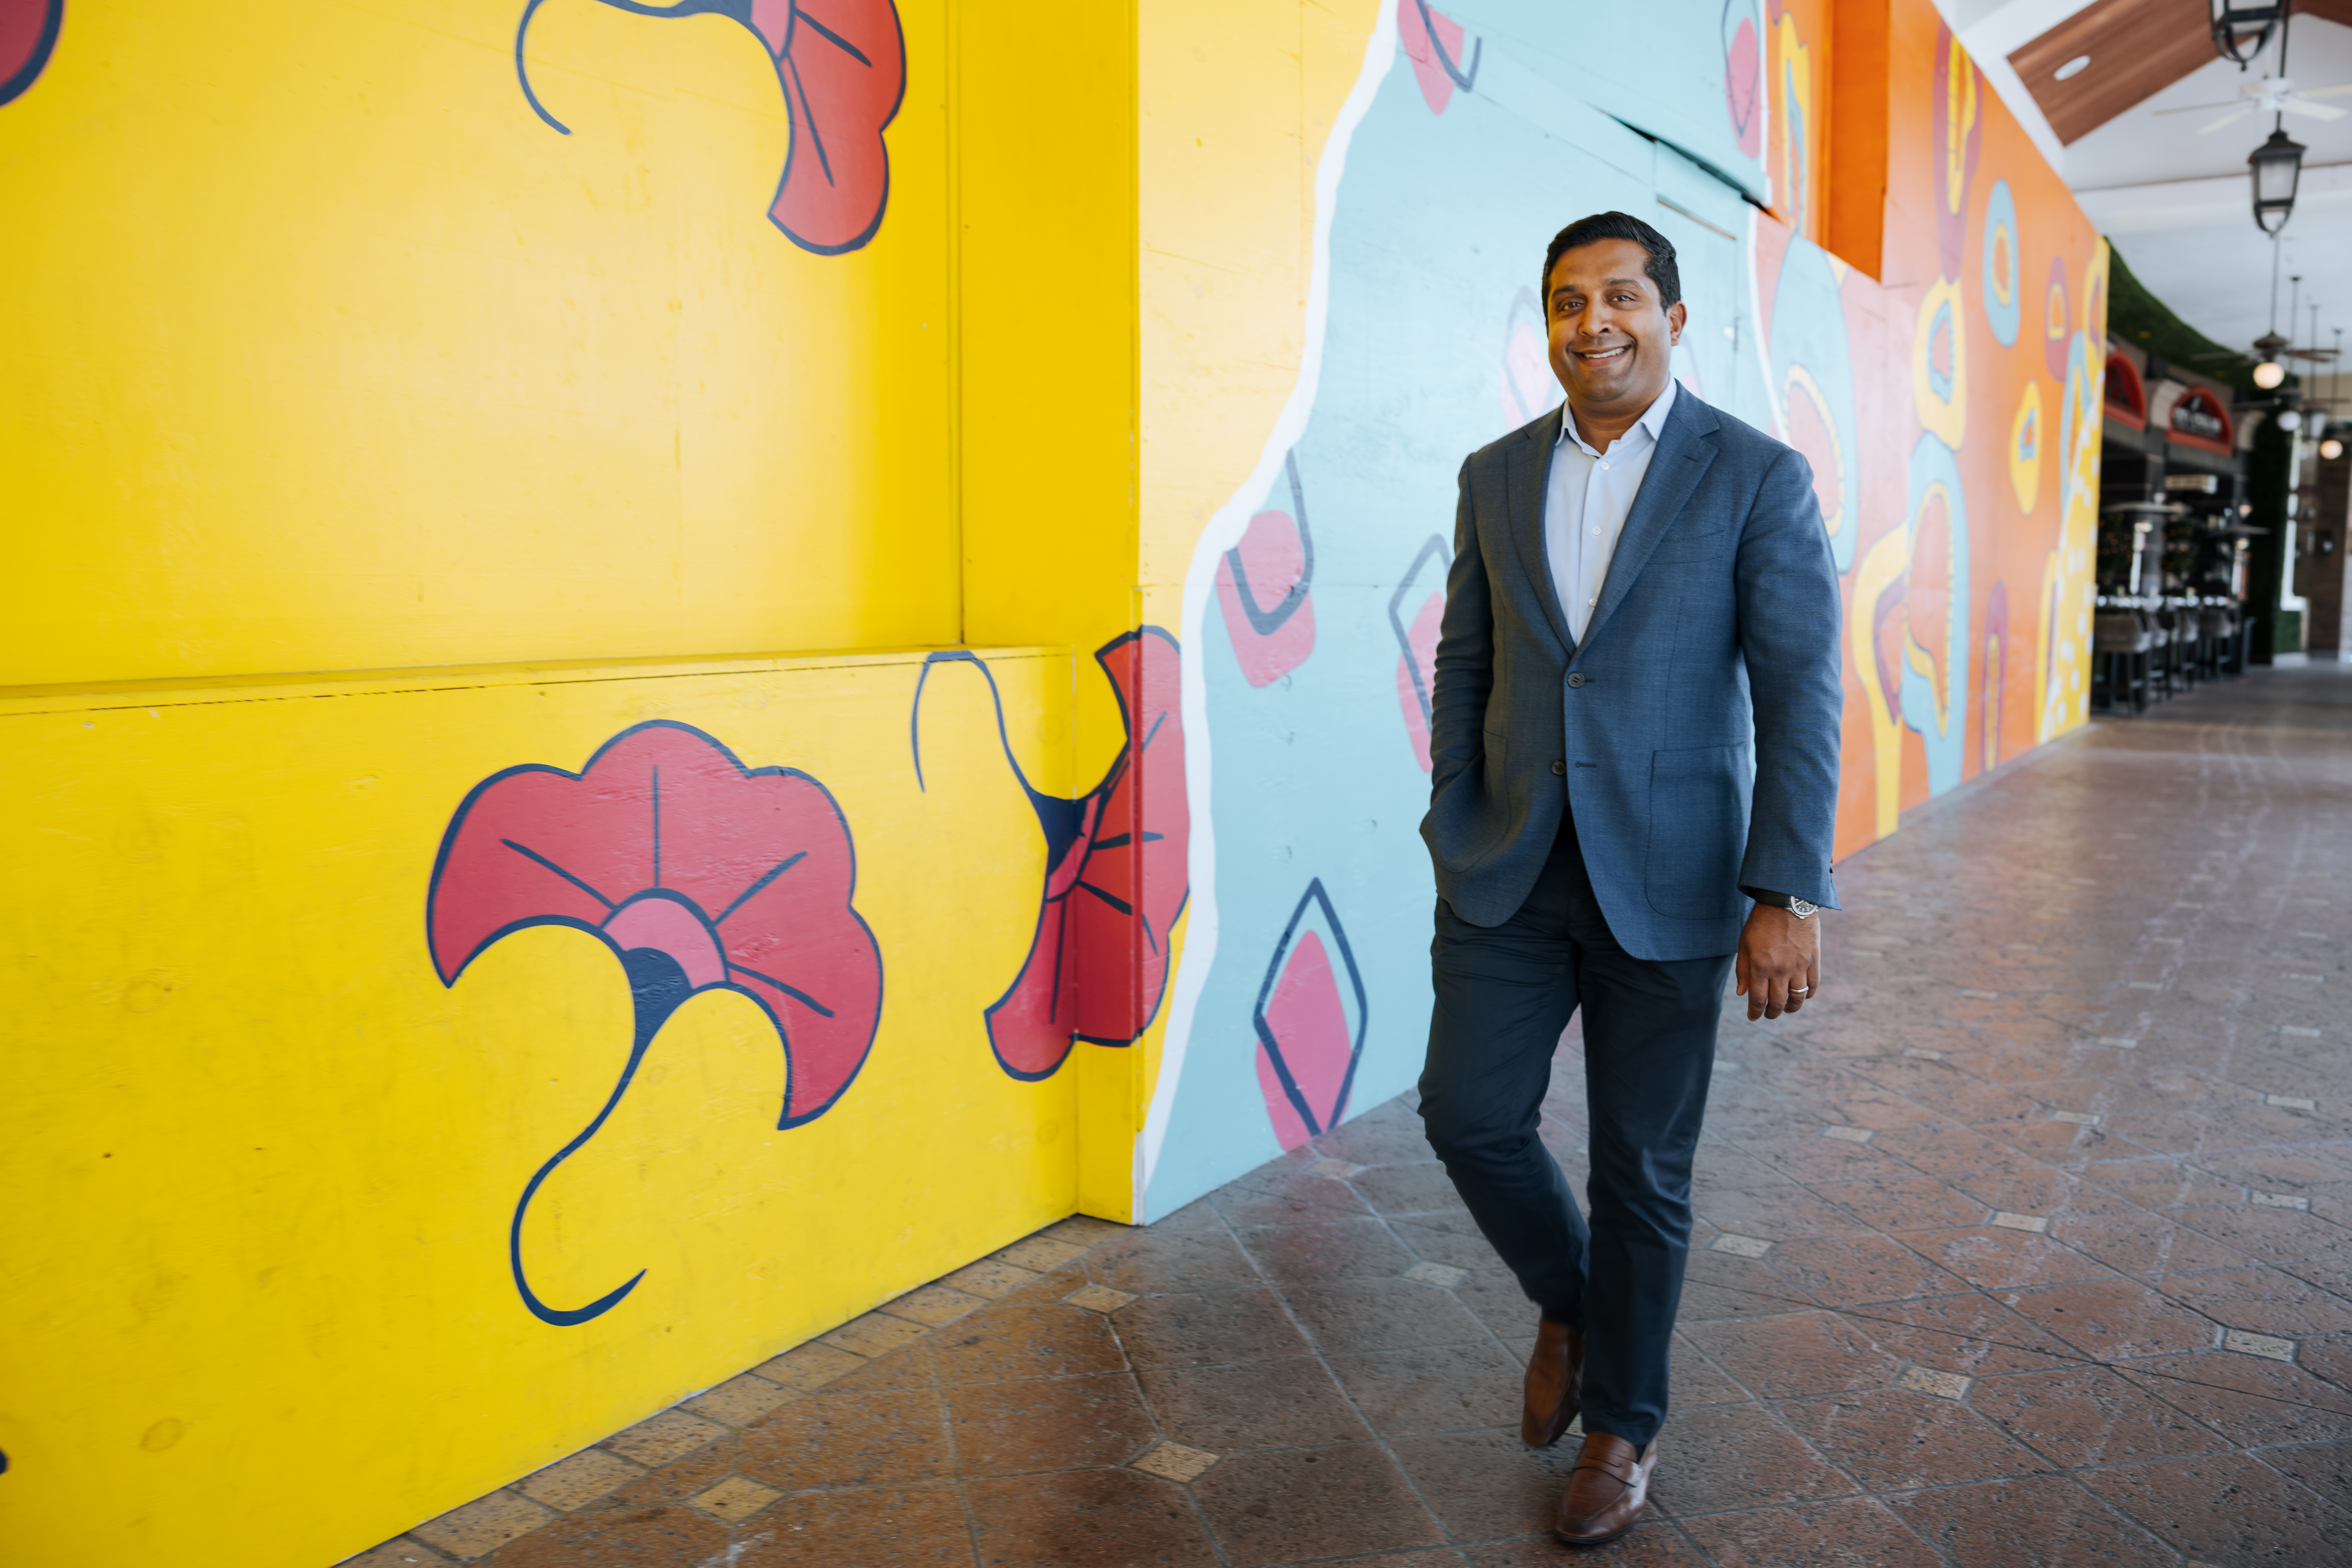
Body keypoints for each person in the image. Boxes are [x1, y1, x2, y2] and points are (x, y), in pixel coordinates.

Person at [1416, 211, 1842, 1547]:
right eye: (1563, 300)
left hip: (1672, 873)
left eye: (1617, 296)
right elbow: (1466, 661)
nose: (1590, 320)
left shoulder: (1754, 475)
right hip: (1508, 864)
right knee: (1466, 1115)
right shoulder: (1493, 473)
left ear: (1669, 315)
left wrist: (1787, 889)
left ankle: (1622, 1425)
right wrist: (1449, 803)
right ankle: (1576, 1298)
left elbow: (1798, 688)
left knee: (1641, 1171)